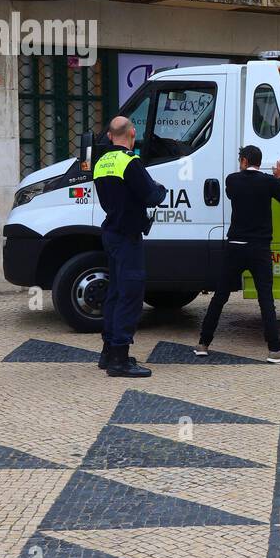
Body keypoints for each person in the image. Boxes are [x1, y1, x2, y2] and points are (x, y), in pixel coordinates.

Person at [195, 145, 280, 364]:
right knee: (266, 299)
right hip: (259, 248)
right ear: (259, 162)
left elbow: (234, 192)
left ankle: (203, 343)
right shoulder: (268, 182)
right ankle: (275, 350)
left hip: (235, 246)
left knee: (220, 296)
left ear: (243, 161)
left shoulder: (232, 180)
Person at [93, 115, 167, 378]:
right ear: (132, 133)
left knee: (114, 293)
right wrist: (161, 190)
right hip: (128, 237)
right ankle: (120, 361)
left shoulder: (101, 163)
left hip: (111, 232)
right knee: (130, 294)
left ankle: (108, 352)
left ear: (111, 136)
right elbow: (151, 194)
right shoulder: (130, 162)